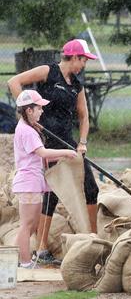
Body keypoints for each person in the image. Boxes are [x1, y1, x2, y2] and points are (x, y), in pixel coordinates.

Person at [7, 38, 98, 265]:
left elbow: (84, 116)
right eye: (83, 60)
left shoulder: (77, 85)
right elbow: (14, 82)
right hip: (46, 142)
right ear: (74, 57)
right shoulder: (48, 71)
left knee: (91, 187)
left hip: (66, 142)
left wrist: (83, 142)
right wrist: (28, 115)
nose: (84, 65)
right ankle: (41, 248)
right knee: (51, 193)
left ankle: (94, 241)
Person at [12, 90, 77, 268]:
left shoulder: (30, 128)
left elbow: (42, 157)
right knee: (27, 225)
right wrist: (66, 152)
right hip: (28, 182)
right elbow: (42, 152)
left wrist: (64, 157)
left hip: (34, 181)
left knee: (32, 226)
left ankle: (23, 260)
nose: (42, 111)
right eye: (39, 108)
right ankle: (24, 263)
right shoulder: (27, 131)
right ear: (29, 110)